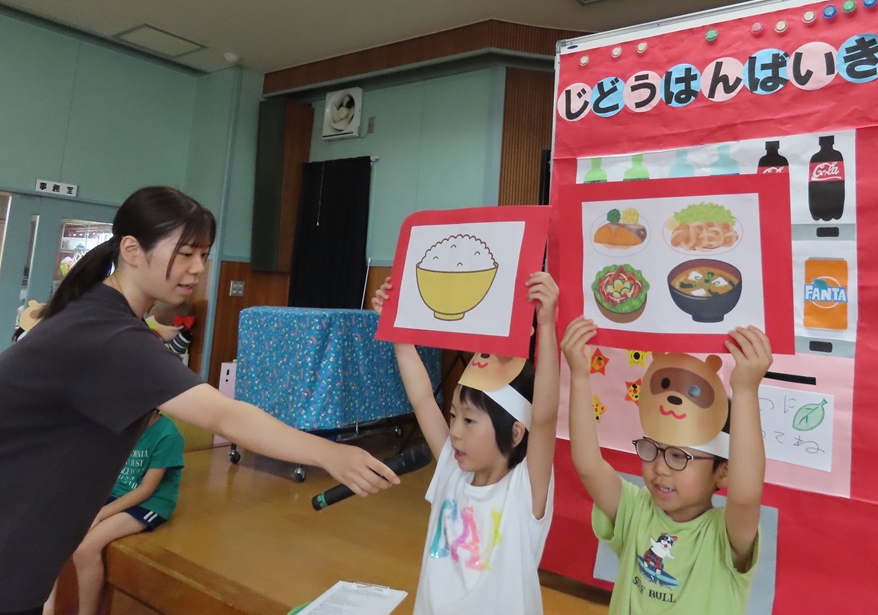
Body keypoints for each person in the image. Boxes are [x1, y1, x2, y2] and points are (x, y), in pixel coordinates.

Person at [0, 186, 402, 615]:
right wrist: (330, 452)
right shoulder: (110, 335)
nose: (198, 269)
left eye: (204, 255)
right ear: (132, 250)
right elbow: (223, 416)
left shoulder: (101, 313)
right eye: (186, 253)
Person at [370, 271, 559, 615]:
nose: (454, 431)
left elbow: (544, 418)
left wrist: (546, 325)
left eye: (469, 420)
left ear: (516, 433)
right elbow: (424, 399)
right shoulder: (452, 471)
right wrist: (395, 327)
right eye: (454, 416)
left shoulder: (524, 489)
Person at [560, 317, 772, 614]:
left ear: (723, 471)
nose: (660, 467)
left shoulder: (725, 538)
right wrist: (580, 375)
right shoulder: (635, 510)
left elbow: (746, 495)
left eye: (678, 456)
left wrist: (747, 390)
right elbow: (589, 466)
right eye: (654, 450)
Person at [42, 410, 185, 615]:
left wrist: (101, 514)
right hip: (116, 493)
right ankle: (47, 606)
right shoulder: (123, 423)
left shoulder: (168, 435)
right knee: (57, 529)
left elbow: (146, 490)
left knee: (85, 549)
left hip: (150, 503)